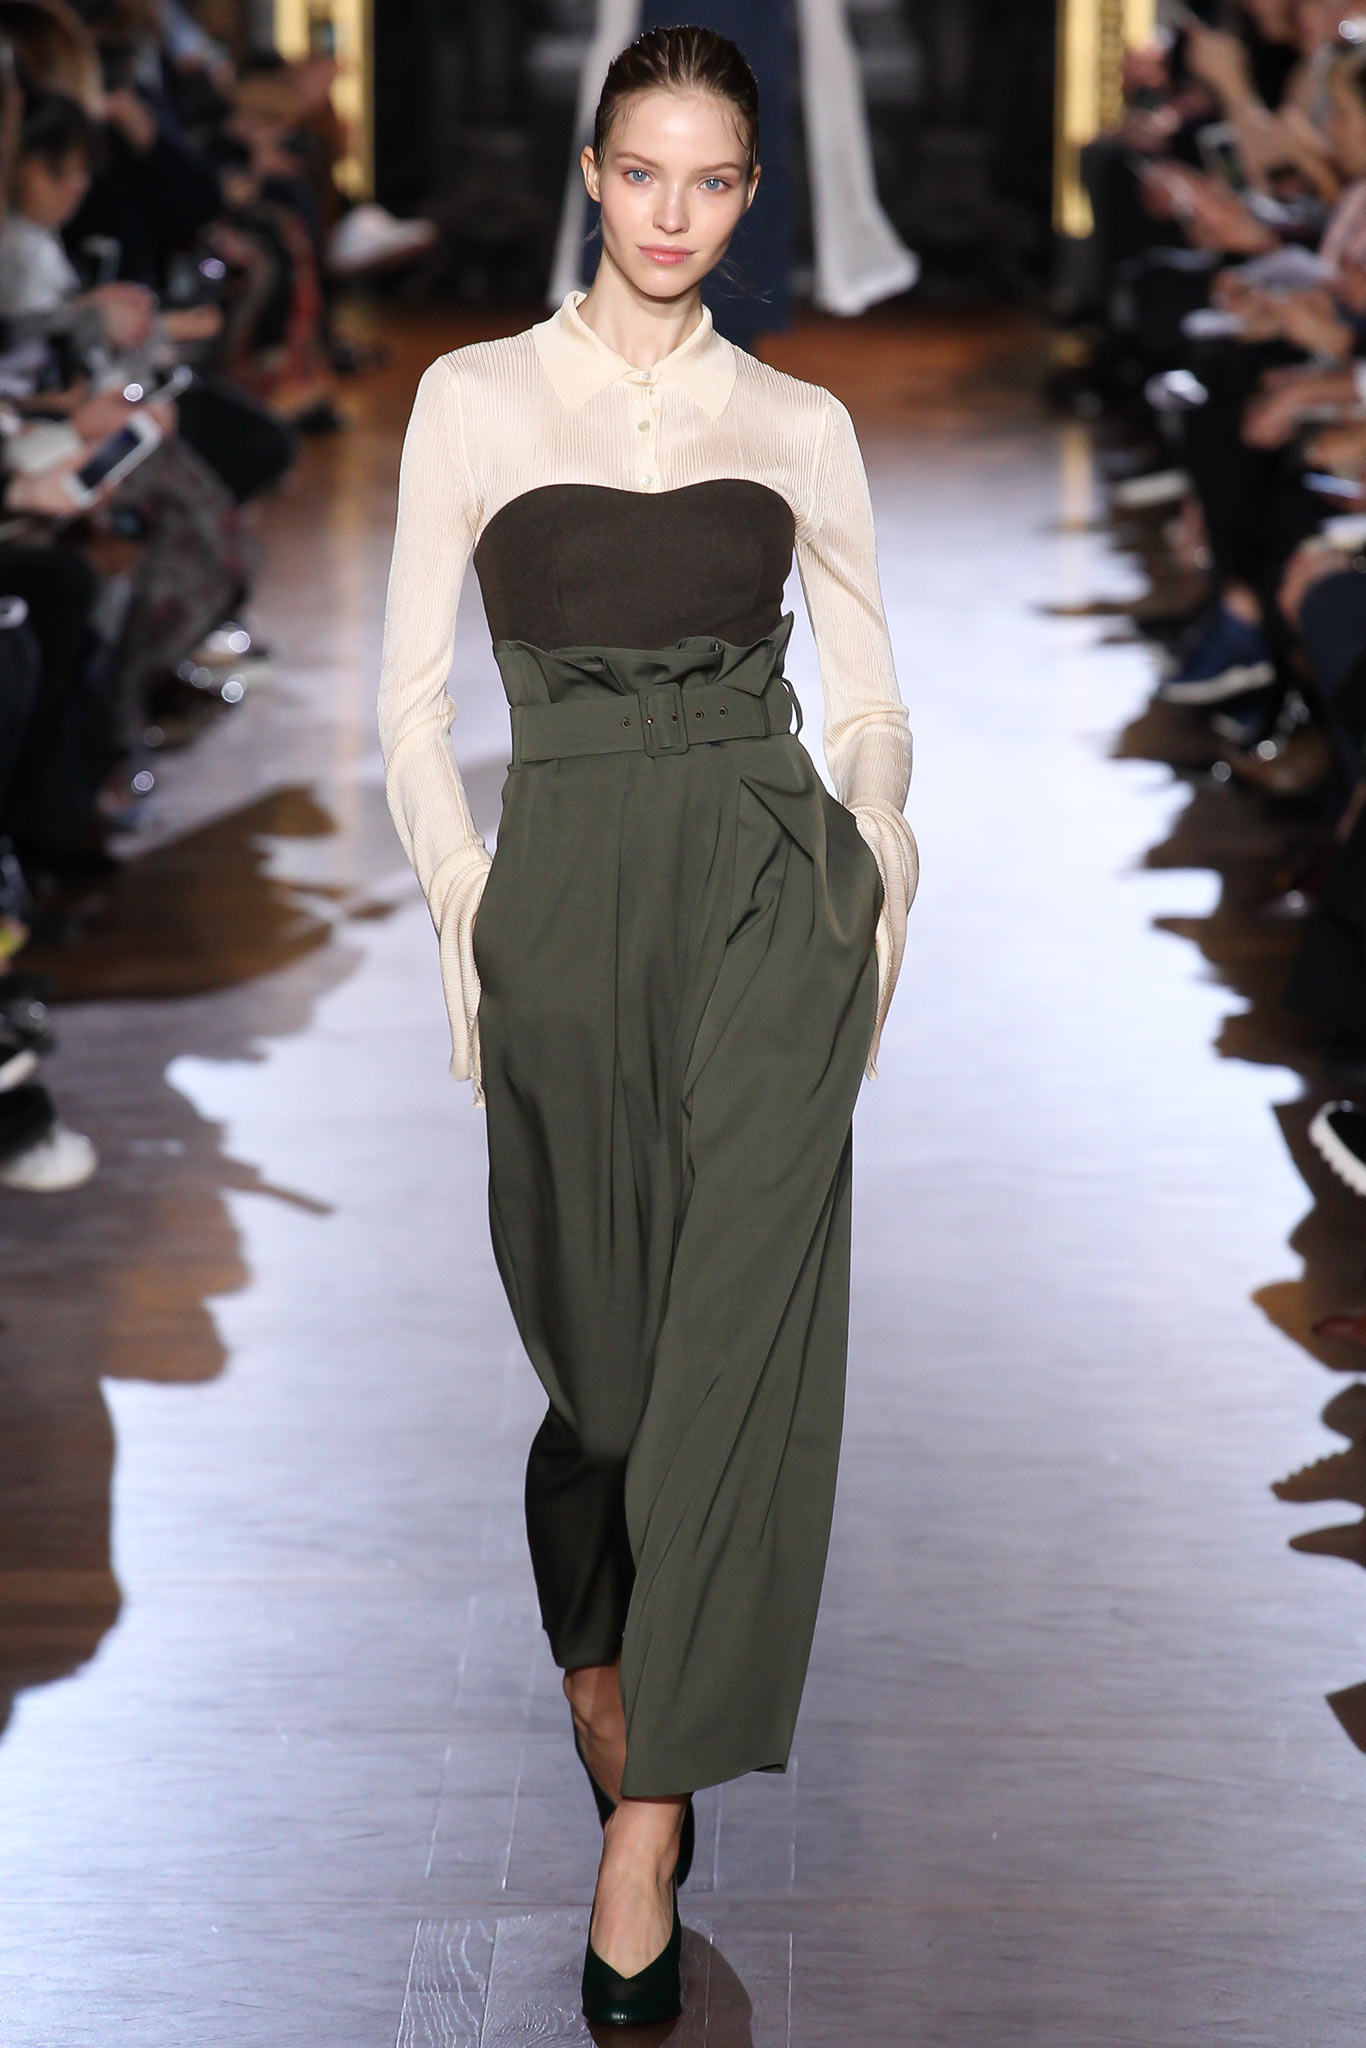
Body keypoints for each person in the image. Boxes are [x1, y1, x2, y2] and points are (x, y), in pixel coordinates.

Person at [377, 24, 917, 2028]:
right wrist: (471, 902)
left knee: (729, 1367)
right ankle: (602, 1661)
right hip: (567, 894)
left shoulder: (796, 421)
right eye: (641, 173)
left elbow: (866, 690)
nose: (671, 213)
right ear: (592, 175)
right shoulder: (470, 400)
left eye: (711, 181)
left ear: (747, 195)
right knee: (606, 1394)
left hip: (769, 888)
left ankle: (646, 1827)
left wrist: (875, 869)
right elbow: (410, 703)